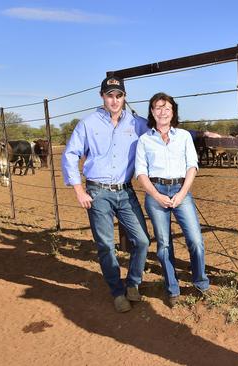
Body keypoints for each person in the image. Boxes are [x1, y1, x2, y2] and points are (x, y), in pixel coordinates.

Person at [62, 76, 150, 313]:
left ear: (124, 97)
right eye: (110, 95)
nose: (114, 100)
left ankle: (133, 283)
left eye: (119, 95)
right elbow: (70, 155)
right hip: (97, 192)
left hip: (125, 191)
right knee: (105, 245)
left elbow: (160, 133)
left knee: (142, 240)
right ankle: (117, 292)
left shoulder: (136, 123)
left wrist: (198, 135)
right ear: (102, 96)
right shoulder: (88, 124)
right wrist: (79, 189)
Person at [135, 92, 210, 307]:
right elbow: (141, 172)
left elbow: (192, 166)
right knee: (164, 245)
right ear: (151, 112)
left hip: (181, 189)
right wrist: (157, 195)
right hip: (155, 191)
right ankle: (172, 288)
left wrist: (183, 193)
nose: (162, 111)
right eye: (158, 108)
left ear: (173, 111)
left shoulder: (184, 136)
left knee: (196, 240)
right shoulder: (144, 140)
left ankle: (200, 283)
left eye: (166, 108)